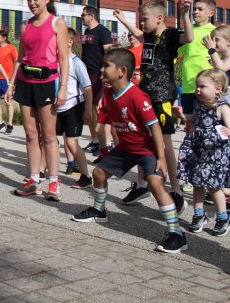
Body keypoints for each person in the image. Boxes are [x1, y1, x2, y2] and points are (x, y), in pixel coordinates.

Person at [71, 49, 188, 254]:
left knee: (154, 183)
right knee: (98, 173)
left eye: (106, 65)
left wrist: (161, 159)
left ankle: (176, 233)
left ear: (122, 71)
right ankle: (99, 210)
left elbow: (155, 127)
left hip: (146, 149)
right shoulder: (109, 92)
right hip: (126, 148)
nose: (102, 70)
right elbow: (109, 117)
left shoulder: (137, 96)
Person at [113, 0, 192, 212]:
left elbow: (190, 37)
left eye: (144, 19)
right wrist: (123, 20)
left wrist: (184, 13)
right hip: (145, 95)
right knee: (142, 140)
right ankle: (143, 183)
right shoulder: (148, 36)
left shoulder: (170, 35)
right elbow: (139, 35)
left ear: (159, 18)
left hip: (161, 98)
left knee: (164, 145)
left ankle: (175, 190)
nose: (141, 23)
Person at [6, 0, 69, 201]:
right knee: (31, 134)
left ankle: (53, 182)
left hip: (47, 82)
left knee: (49, 136)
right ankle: (34, 179)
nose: (32, 3)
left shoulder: (57, 23)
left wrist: (63, 88)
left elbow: (63, 59)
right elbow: (20, 58)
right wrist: (11, 84)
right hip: (25, 82)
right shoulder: (25, 26)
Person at [178, 68, 230, 236]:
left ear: (218, 89)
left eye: (202, 86)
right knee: (197, 182)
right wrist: (182, 115)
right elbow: (193, 119)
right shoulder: (197, 104)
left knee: (213, 185)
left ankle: (223, 217)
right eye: (196, 86)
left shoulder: (222, 107)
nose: (198, 90)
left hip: (215, 153)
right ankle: (199, 214)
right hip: (199, 148)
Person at [58, 28, 93, 188]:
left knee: (71, 142)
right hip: (56, 107)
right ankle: (42, 172)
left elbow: (87, 88)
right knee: (48, 139)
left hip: (73, 106)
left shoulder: (77, 63)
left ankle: (85, 176)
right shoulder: (54, 60)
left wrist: (87, 109)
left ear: (70, 42)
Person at [178, 0, 216, 129]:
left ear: (211, 13)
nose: (195, 12)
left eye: (200, 9)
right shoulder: (188, 31)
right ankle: (192, 150)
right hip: (188, 84)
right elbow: (178, 53)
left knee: (208, 123)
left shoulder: (214, 32)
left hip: (207, 84)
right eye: (194, 9)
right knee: (190, 124)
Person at [80, 6, 113, 157]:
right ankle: (94, 141)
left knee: (98, 109)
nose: (82, 17)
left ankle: (104, 144)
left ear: (91, 16)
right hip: (86, 74)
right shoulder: (87, 32)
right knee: (90, 109)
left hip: (97, 75)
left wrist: (105, 72)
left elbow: (108, 52)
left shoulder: (102, 31)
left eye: (84, 14)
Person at [0, 30, 18, 135]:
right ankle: (0, 123)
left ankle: (10, 124)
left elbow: (17, 62)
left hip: (7, 79)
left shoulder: (12, 48)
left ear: (4, 37)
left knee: (8, 102)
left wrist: (13, 80)